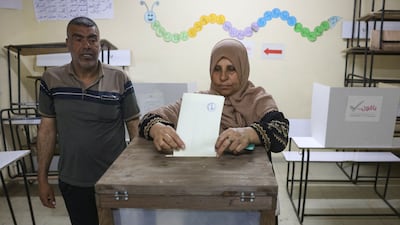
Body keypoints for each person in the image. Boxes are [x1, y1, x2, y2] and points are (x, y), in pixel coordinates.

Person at [36, 16, 141, 225]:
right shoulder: (51, 80)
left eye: (92, 39)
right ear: (68, 43)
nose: (87, 45)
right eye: (78, 39)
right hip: (73, 181)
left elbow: (134, 128)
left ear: (99, 44)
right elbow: (46, 131)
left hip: (115, 181)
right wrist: (42, 180)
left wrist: (138, 176)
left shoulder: (119, 79)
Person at [139, 38, 289, 160]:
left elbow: (280, 132)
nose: (223, 77)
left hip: (252, 187)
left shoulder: (258, 100)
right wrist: (157, 128)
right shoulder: (198, 101)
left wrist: (249, 134)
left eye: (231, 69)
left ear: (243, 69)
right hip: (209, 182)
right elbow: (148, 119)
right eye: (217, 69)